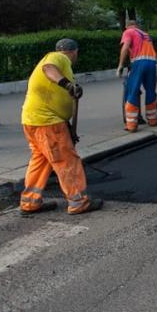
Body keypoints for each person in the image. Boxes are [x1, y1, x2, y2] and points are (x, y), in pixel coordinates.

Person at [20, 38, 103, 215]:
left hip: (32, 120)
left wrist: (66, 127)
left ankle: (29, 202)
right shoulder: (58, 57)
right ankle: (78, 202)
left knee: (40, 161)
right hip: (47, 122)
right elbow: (48, 69)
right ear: (74, 52)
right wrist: (67, 84)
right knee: (66, 160)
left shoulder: (56, 60)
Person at [117, 20, 157, 132]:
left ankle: (131, 125)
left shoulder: (128, 32)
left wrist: (120, 65)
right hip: (152, 63)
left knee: (133, 90)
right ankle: (152, 120)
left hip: (139, 62)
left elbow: (125, 47)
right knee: (150, 90)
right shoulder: (146, 34)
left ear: (127, 26)